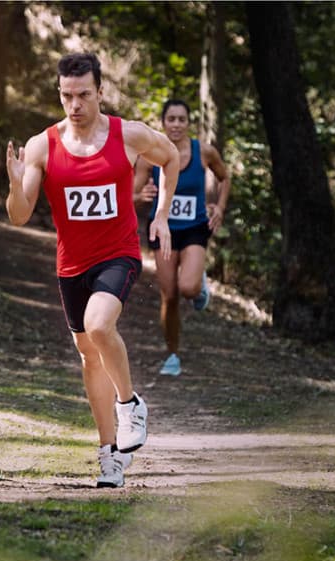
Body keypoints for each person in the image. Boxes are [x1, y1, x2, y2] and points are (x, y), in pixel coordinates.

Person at [5, 53, 179, 488]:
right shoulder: (43, 145)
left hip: (118, 255)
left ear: (100, 91)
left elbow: (172, 157)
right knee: (88, 358)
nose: (75, 104)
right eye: (67, 96)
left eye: (84, 94)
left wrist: (161, 216)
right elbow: (20, 215)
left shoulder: (128, 135)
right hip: (71, 266)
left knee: (99, 326)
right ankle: (110, 455)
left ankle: (130, 405)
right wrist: (14, 183)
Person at [133, 99, 230, 377]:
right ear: (163, 123)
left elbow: (224, 178)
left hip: (195, 228)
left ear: (189, 123)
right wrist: (141, 196)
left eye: (181, 119)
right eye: (171, 119)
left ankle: (198, 284)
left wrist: (219, 208)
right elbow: (129, 194)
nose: (176, 124)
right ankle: (172, 355)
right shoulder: (148, 156)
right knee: (170, 295)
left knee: (187, 288)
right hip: (162, 230)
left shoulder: (204, 152)